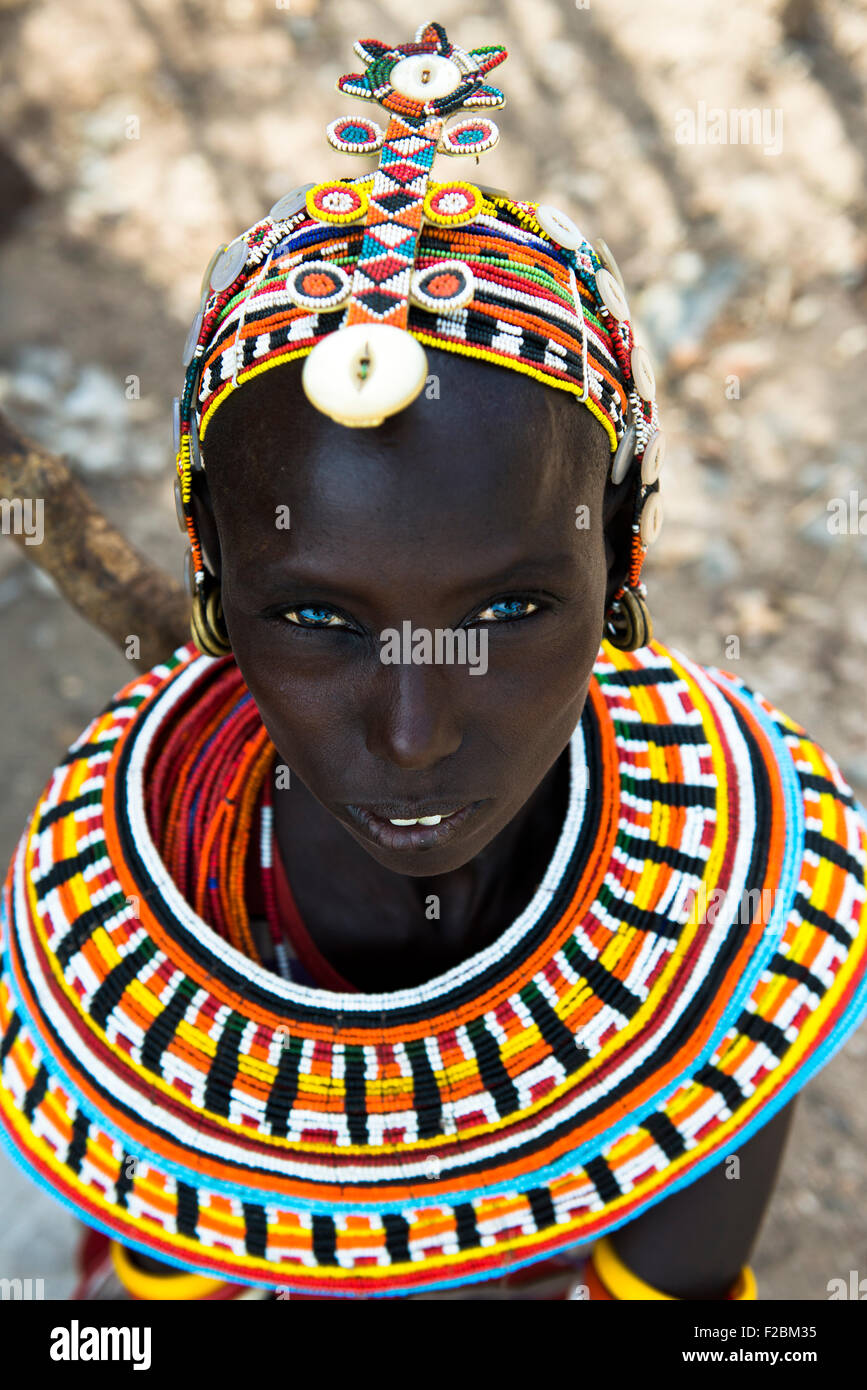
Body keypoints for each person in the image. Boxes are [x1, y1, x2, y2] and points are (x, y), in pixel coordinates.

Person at [2, 20, 866, 1303]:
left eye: (512, 610)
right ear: (212, 589)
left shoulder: (726, 944)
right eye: (317, 620)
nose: (414, 738)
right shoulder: (110, 954)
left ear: (621, 567)